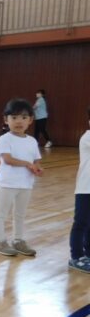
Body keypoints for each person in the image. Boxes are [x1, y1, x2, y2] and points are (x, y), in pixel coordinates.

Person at [0, 99, 43, 257]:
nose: (19, 121)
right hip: (8, 183)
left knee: (20, 214)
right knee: (2, 213)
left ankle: (18, 240)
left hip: (26, 184)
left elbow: (36, 160)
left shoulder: (32, 141)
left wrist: (38, 168)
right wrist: (28, 164)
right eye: (14, 117)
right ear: (6, 120)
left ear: (30, 120)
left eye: (23, 117)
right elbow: (7, 159)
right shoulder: (4, 139)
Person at [69, 107, 90, 273]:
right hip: (85, 188)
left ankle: (88, 254)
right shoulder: (87, 137)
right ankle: (76, 256)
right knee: (81, 223)